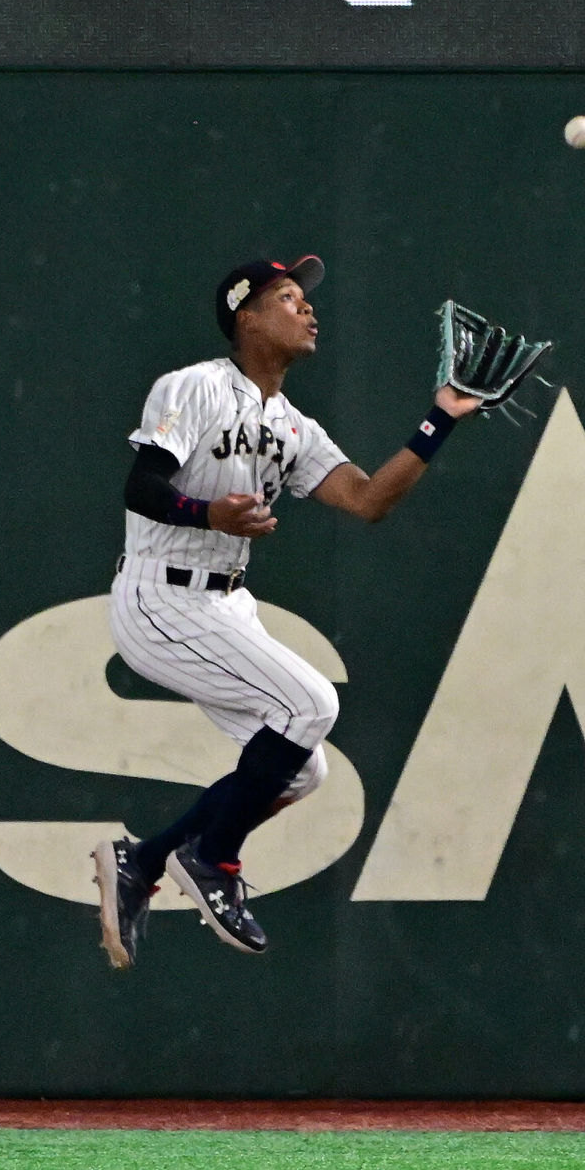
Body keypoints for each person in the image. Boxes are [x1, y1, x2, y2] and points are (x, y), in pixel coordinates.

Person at [93, 254, 481, 967]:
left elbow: (368, 499)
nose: (308, 309)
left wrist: (441, 419)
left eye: (306, 298)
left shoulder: (293, 425)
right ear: (246, 316)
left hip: (222, 602)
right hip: (160, 595)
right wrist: (208, 511)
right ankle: (214, 861)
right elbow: (141, 485)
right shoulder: (195, 386)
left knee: (302, 770)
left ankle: (141, 862)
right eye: (288, 296)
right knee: (309, 705)